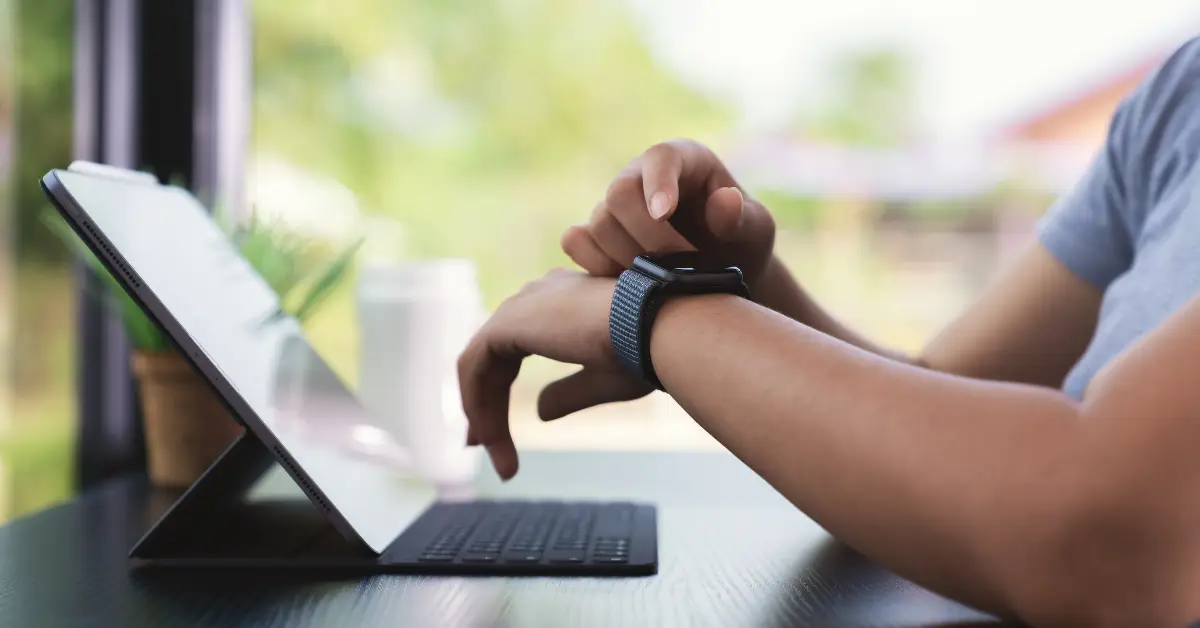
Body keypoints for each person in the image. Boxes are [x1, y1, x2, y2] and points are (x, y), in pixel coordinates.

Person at [456, 37, 1200, 626]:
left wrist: (655, 314)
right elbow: (945, 421)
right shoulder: (1180, 100)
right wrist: (739, 286)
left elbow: (1114, 545)